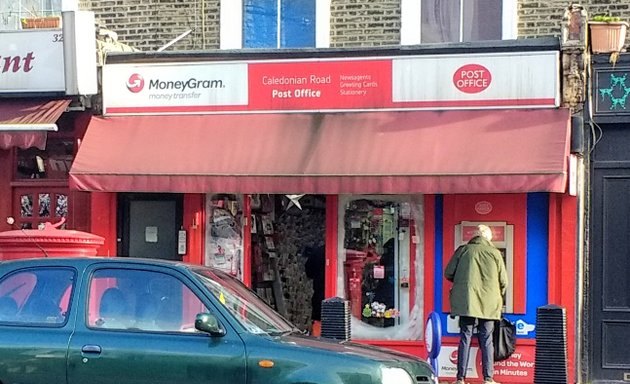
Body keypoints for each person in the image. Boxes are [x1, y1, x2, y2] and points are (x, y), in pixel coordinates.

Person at [444, 224, 508, 384]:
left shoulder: (463, 250)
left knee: (465, 337)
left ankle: (460, 378)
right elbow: (504, 281)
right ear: (488, 238)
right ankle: (488, 378)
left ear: (474, 236)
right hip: (489, 303)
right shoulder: (495, 253)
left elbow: (448, 273)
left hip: (467, 302)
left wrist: (462, 282)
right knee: (486, 339)